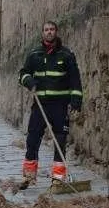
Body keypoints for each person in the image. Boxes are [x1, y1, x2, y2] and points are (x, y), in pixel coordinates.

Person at [18, 20, 83, 183]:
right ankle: (29, 175)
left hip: (60, 106)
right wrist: (29, 82)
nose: (49, 32)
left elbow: (75, 79)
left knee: (60, 140)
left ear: (56, 32)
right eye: (46, 30)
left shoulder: (66, 55)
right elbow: (23, 73)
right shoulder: (34, 55)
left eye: (52, 29)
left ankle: (58, 177)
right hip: (40, 105)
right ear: (42, 33)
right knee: (33, 138)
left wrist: (76, 100)